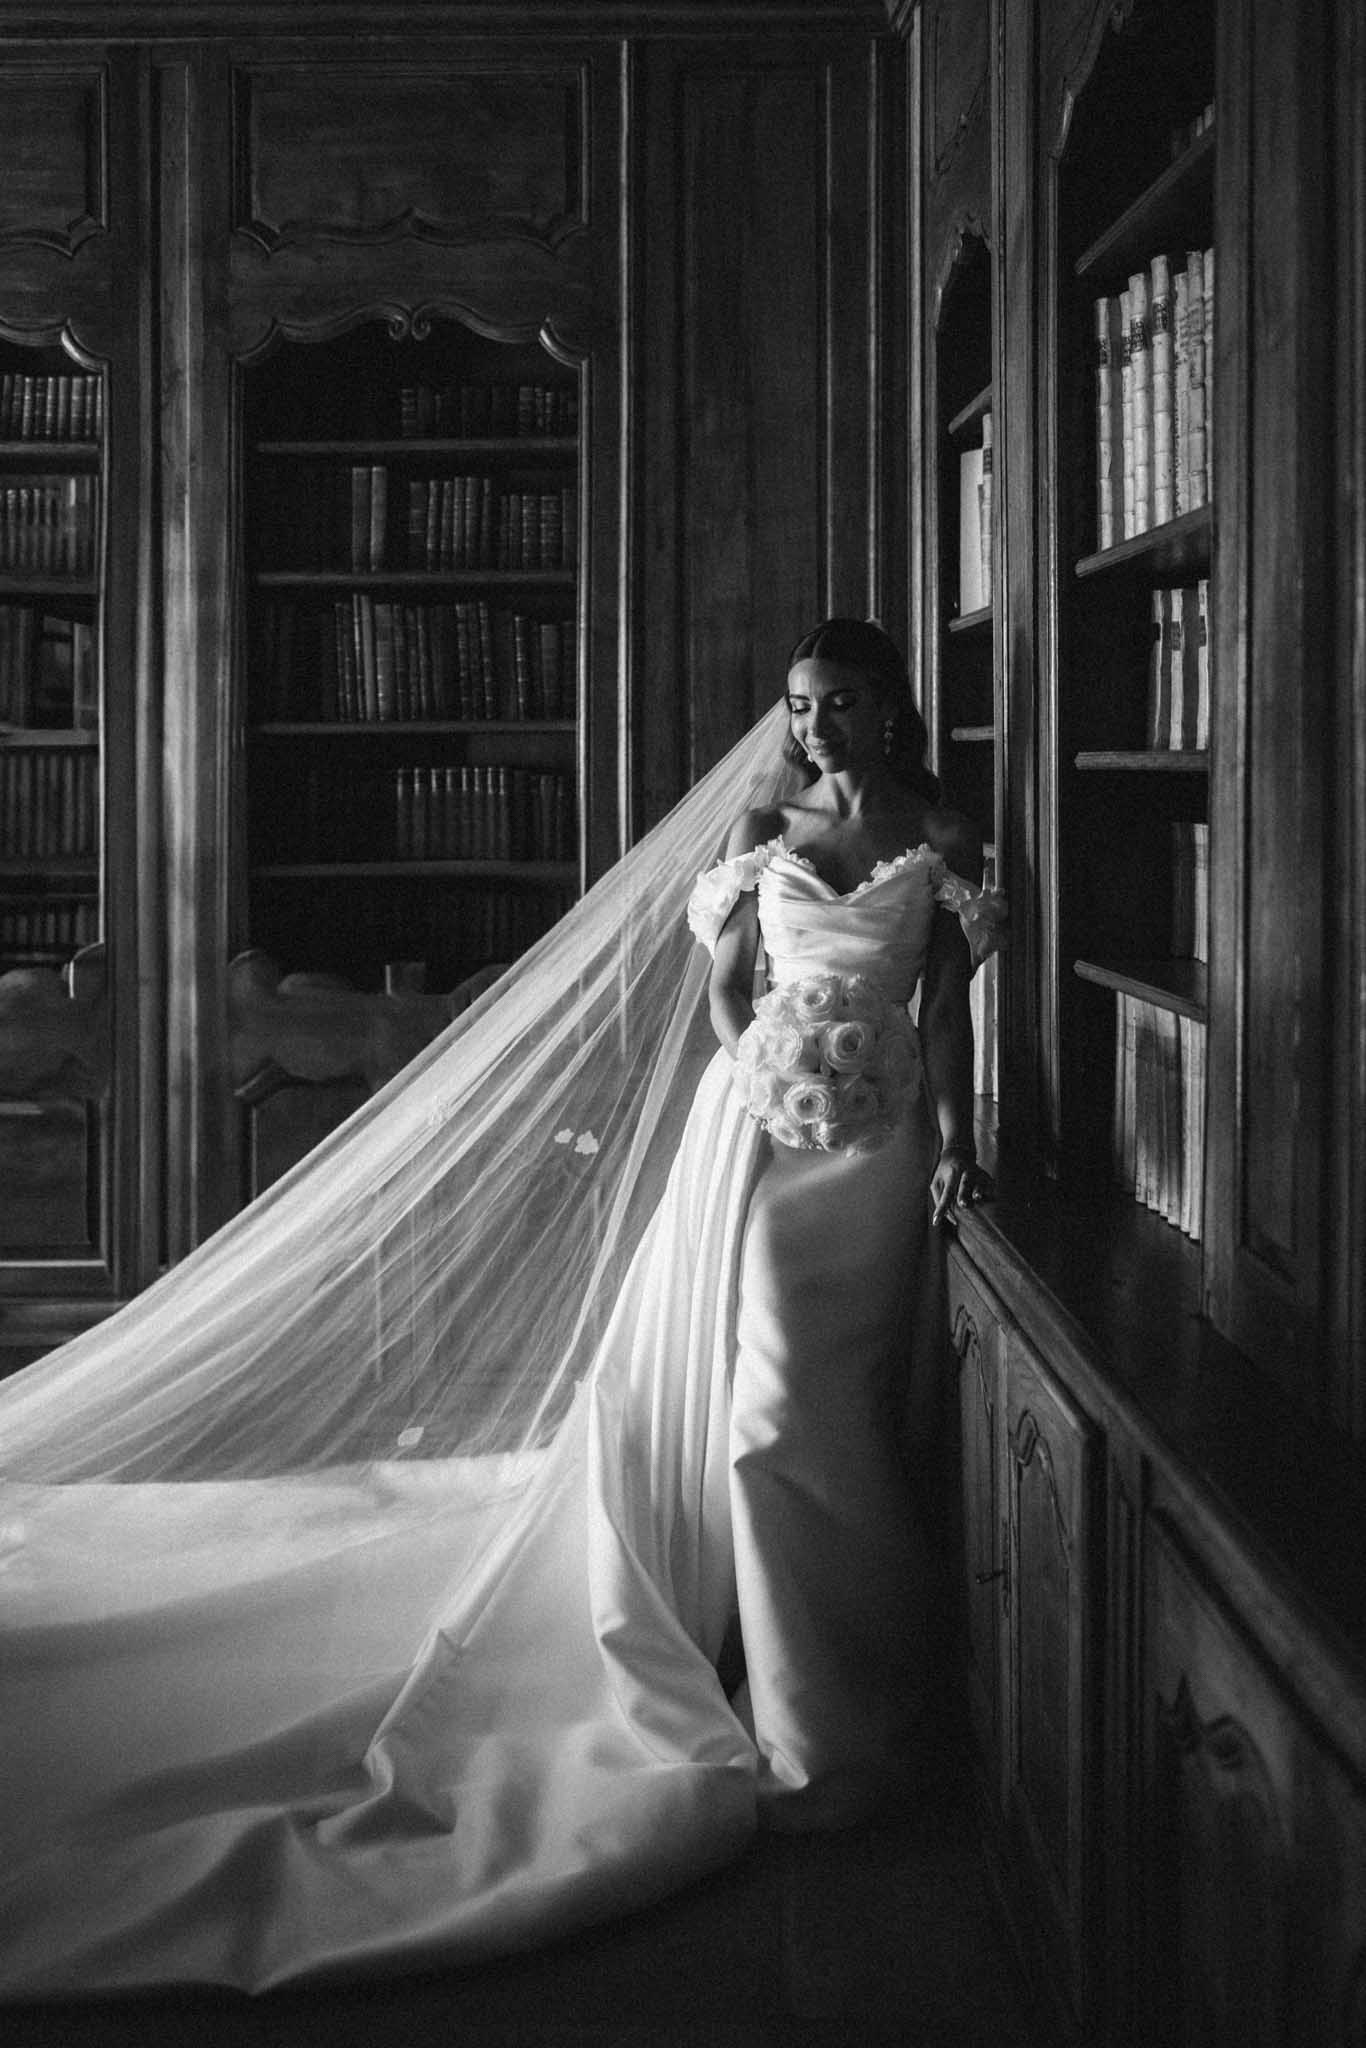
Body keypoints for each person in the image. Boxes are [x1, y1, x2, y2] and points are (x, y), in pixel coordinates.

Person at [0, 619, 1003, 1997]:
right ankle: (814, 1723)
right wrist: (765, 1061)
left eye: (837, 705)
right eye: (797, 704)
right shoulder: (765, 830)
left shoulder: (941, 836)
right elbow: (721, 998)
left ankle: (866, 1708)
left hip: (878, 1147)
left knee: (823, 1404)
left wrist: (947, 1133)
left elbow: (945, 1005)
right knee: (766, 1407)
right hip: (757, 1130)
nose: (814, 726)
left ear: (890, 710)